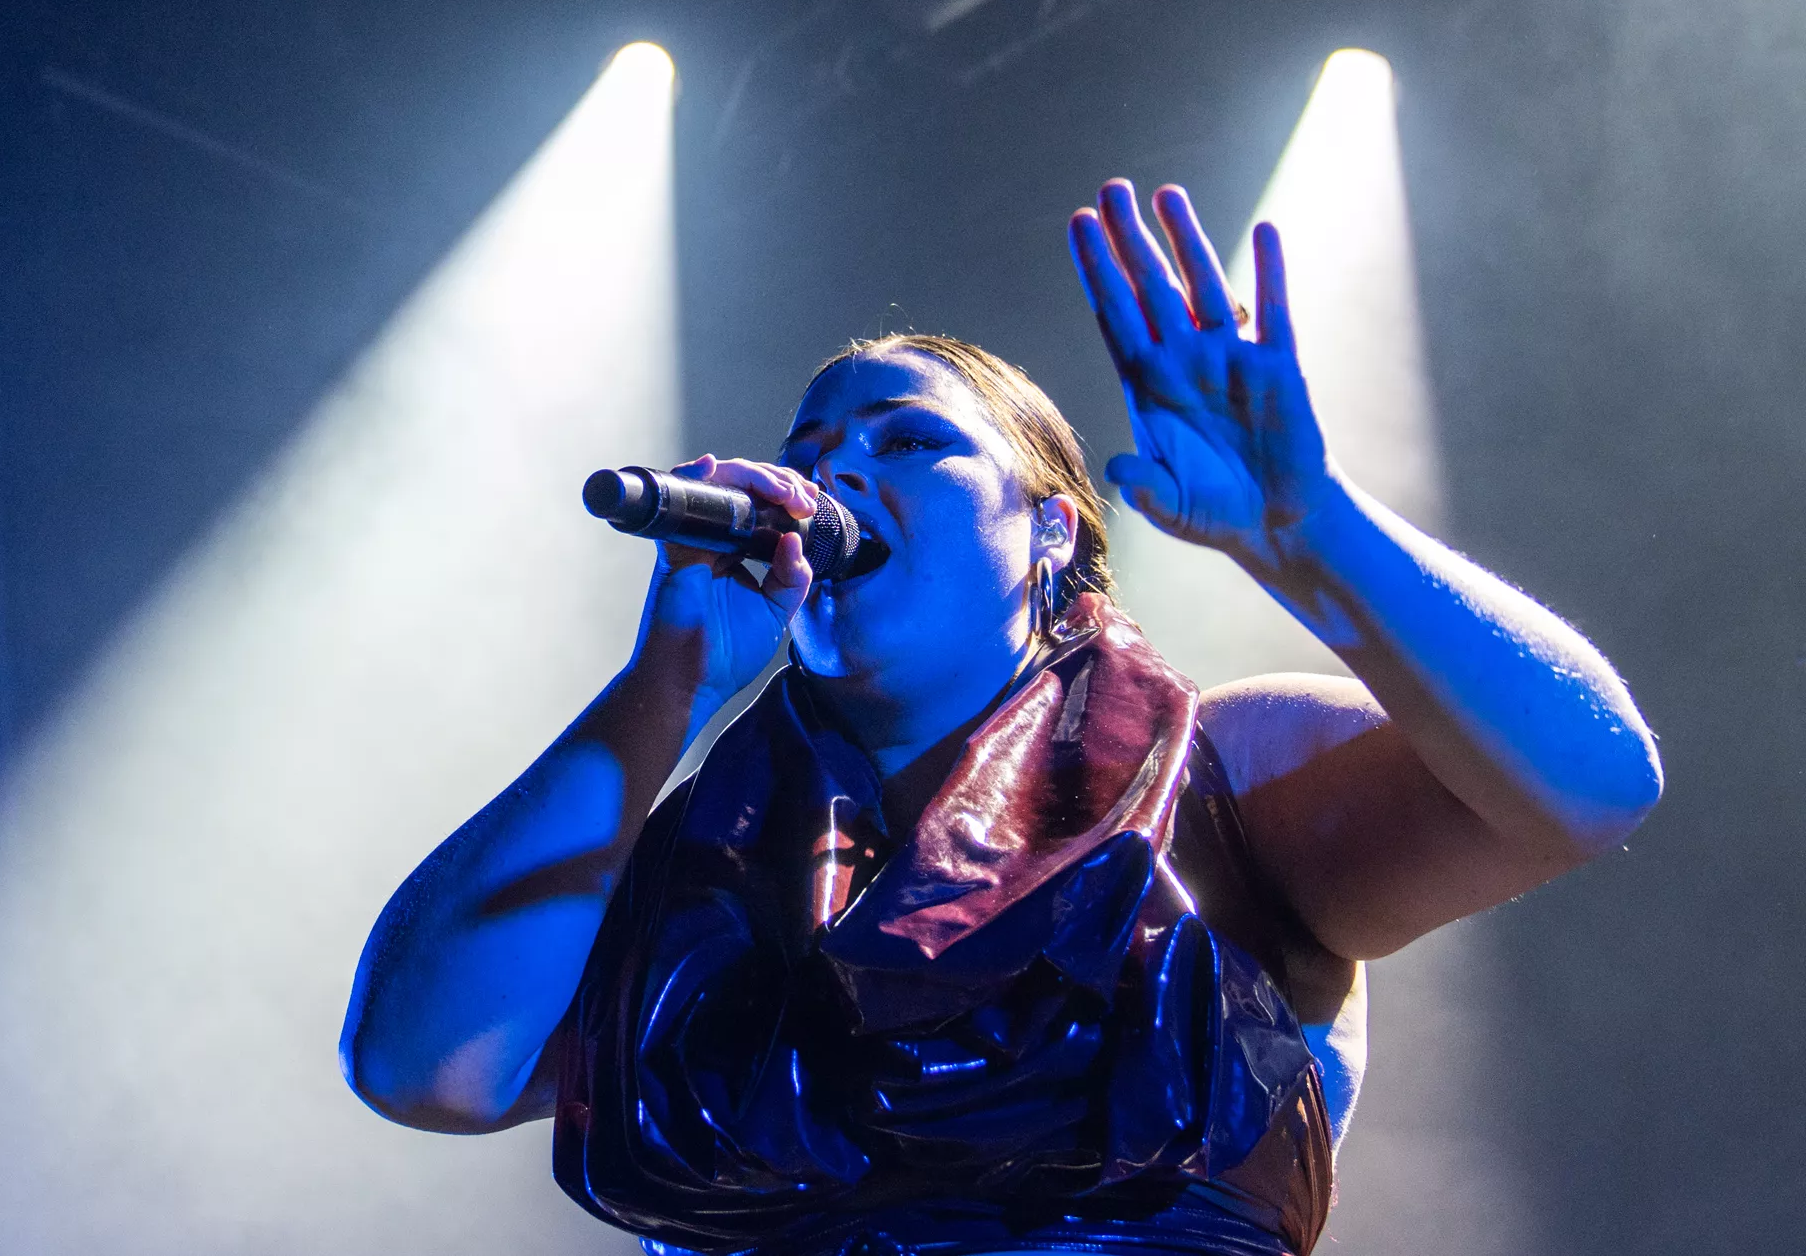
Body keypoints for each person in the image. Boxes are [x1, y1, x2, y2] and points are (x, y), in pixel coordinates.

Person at [338, 181, 1661, 1256]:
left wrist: (1314, 531)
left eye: (909, 441)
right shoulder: (696, 860)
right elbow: (419, 1066)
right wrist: (667, 681)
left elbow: (1594, 784)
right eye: (807, 452)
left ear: (1050, 533)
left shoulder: (1216, 770)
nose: (829, 474)